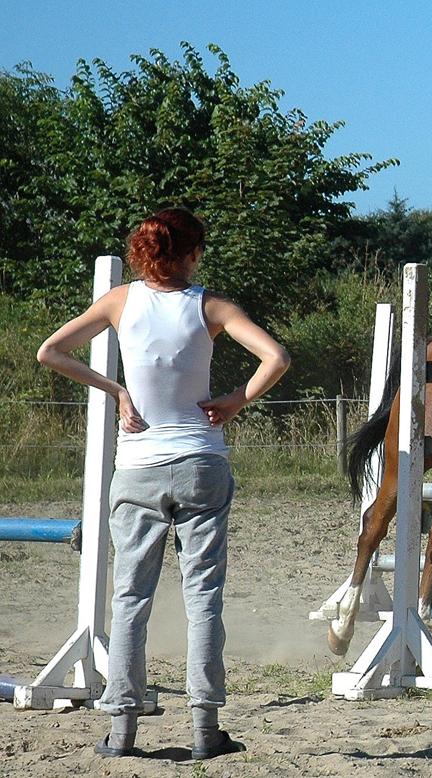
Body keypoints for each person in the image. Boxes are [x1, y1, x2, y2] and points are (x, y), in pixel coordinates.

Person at [37, 207, 290, 760]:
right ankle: (205, 729)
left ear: (143, 253)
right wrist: (237, 399)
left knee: (130, 598)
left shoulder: (119, 301)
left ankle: (122, 730)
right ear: (192, 253)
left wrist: (116, 391)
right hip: (201, 462)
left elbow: (50, 352)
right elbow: (276, 357)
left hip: (138, 469)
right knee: (204, 596)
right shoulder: (212, 306)